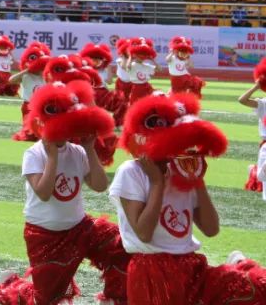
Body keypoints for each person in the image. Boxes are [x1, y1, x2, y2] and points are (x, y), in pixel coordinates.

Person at [110, 91, 266, 304]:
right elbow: (144, 233)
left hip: (190, 267)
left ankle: (239, 265)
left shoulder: (182, 171)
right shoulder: (131, 172)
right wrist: (157, 183)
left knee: (253, 289)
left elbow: (211, 229)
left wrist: (197, 181)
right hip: (151, 272)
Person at [0, 81, 128, 305]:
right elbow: (44, 193)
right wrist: (52, 157)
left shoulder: (77, 151)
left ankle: (113, 297)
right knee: (45, 300)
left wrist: (90, 149)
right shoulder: (33, 154)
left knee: (122, 244)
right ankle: (12, 288)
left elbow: (100, 185)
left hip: (80, 227)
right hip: (45, 235)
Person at [238, 59, 266, 192]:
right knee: (263, 181)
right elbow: (242, 100)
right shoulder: (263, 103)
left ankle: (254, 170)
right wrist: (256, 86)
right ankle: (254, 172)